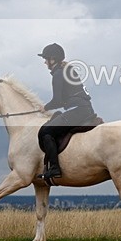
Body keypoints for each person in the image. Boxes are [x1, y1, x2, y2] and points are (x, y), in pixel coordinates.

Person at [36, 43, 95, 181]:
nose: (45, 62)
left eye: (46, 59)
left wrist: (44, 107)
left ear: (53, 59)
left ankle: (55, 168)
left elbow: (57, 101)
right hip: (85, 108)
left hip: (77, 110)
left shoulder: (58, 74)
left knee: (46, 131)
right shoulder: (68, 70)